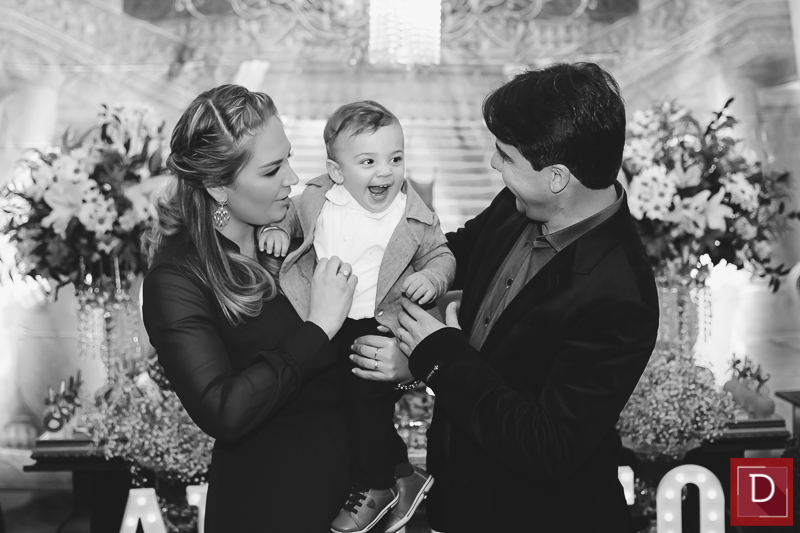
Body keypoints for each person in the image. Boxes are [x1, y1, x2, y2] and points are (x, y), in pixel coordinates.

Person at [350, 62, 660, 532]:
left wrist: (432, 355)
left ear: (557, 177)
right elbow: (448, 255)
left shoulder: (621, 294)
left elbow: (546, 446)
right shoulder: (519, 206)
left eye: (505, 156)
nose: (494, 165)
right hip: (461, 505)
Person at [142, 85, 360, 532]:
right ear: (218, 186)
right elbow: (224, 410)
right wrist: (318, 328)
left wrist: (398, 366)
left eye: (288, 158)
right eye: (272, 170)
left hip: (351, 488)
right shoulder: (178, 279)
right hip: (269, 501)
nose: (293, 179)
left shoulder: (303, 236)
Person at [259, 101, 455, 533]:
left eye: (395, 159)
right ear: (336, 171)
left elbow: (441, 255)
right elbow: (288, 216)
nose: (385, 172)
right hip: (327, 320)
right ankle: (402, 472)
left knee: (365, 405)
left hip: (378, 325)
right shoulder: (318, 199)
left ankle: (377, 486)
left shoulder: (413, 216)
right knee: (340, 405)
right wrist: (275, 230)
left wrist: (432, 278)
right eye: (368, 162)